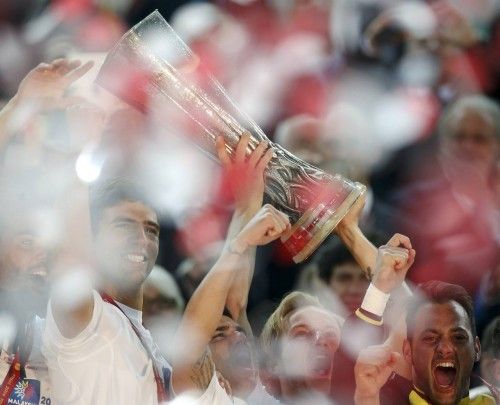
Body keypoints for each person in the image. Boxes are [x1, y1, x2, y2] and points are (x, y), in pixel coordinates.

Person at [354, 280, 496, 404]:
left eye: (458, 338)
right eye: (430, 338)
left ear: (477, 348)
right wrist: (366, 398)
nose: (446, 348)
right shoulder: (378, 399)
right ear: (408, 351)